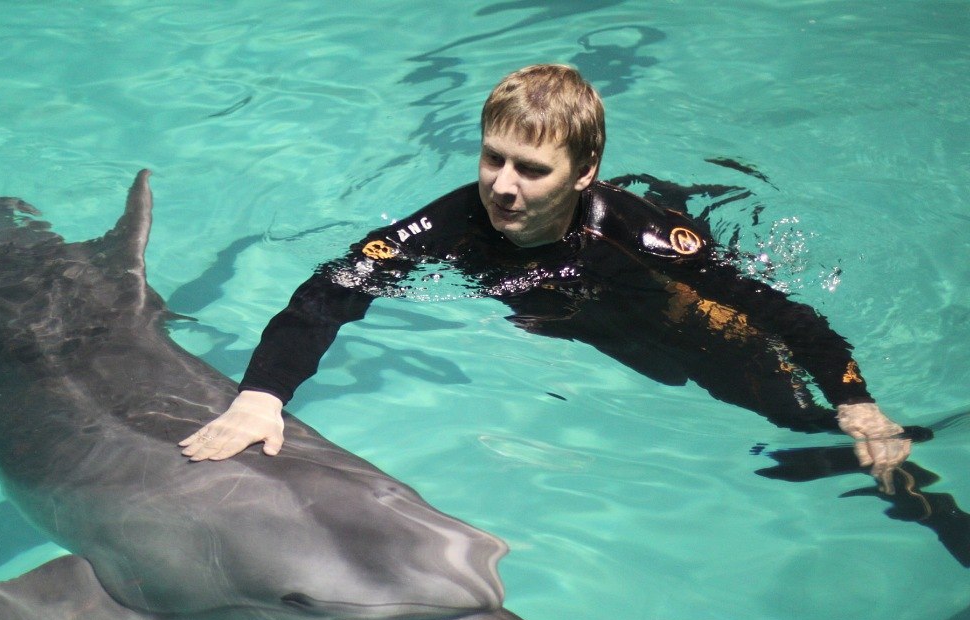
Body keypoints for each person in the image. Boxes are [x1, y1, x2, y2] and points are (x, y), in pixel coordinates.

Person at [179, 64, 911, 492]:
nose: (502, 186)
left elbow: (787, 314)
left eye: (531, 169)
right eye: (493, 158)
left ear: (583, 172)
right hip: (572, 309)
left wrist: (859, 401)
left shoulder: (641, 233)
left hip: (656, 299)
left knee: (788, 409)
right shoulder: (449, 221)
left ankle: (921, 502)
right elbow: (327, 294)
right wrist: (261, 397)